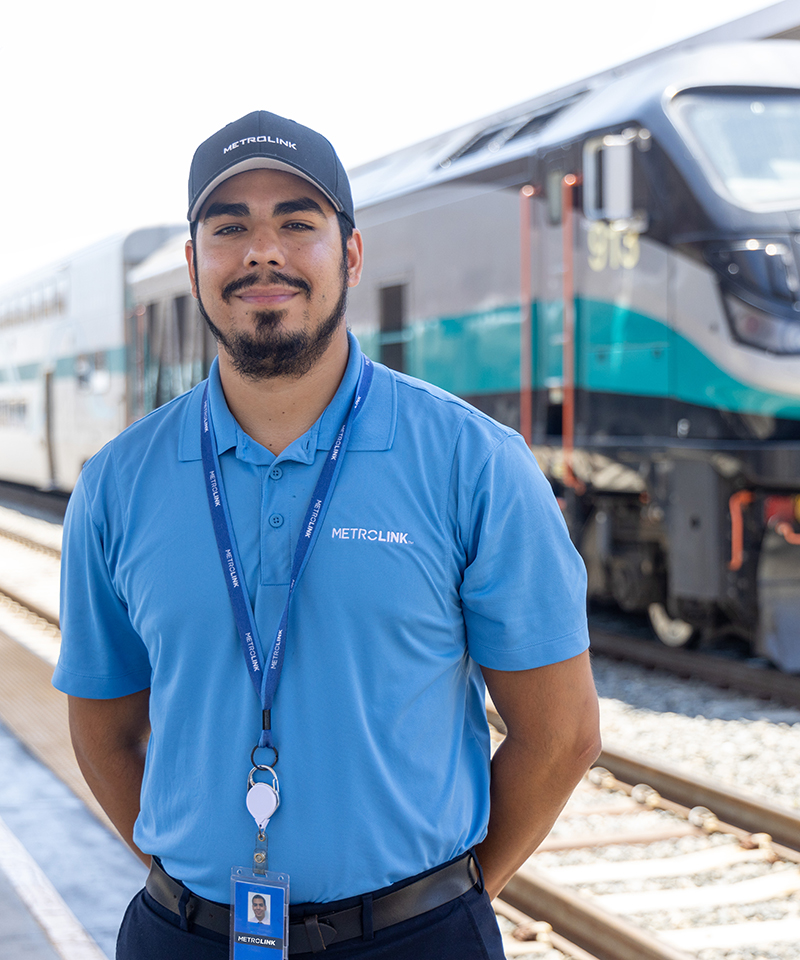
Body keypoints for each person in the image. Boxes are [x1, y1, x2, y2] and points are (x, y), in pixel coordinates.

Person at [54, 110, 601, 960]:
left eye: (297, 224)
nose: (261, 252)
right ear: (196, 263)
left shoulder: (474, 463)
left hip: (415, 939)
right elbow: (102, 729)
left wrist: (444, 903)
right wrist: (198, 889)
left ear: (349, 254)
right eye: (229, 226)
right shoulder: (118, 483)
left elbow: (561, 733)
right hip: (184, 938)